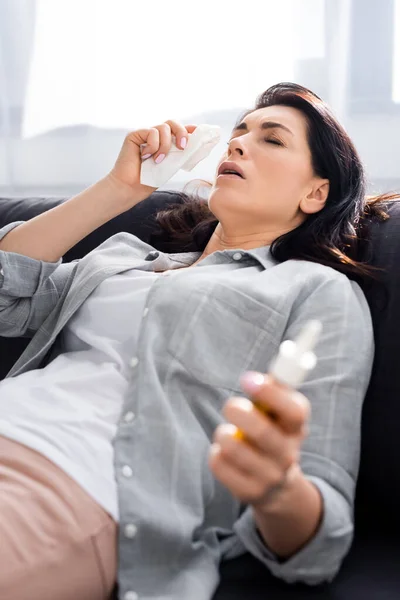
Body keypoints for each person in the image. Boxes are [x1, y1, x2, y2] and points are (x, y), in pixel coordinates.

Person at [0, 82, 385, 600]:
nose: (239, 143)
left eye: (272, 140)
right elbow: (6, 289)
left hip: (72, 480)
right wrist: (118, 189)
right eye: (239, 132)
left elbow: (322, 538)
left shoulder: (314, 291)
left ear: (315, 192)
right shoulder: (125, 258)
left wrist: (275, 487)